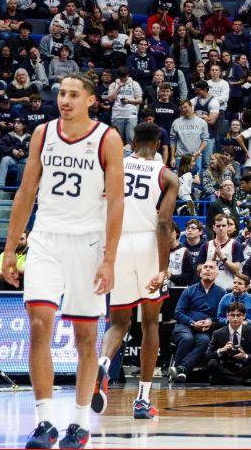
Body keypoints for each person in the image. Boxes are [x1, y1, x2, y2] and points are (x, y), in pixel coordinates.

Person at [0, 74, 125, 449]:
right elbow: (26, 191)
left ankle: (80, 422)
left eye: (73, 94)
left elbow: (116, 202)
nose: (65, 100)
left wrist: (109, 259)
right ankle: (44, 422)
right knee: (39, 325)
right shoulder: (43, 133)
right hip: (45, 239)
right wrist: (10, 248)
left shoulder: (107, 138)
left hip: (88, 243)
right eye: (61, 93)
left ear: (91, 100)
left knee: (85, 336)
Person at [94, 123, 177, 420]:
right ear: (158, 144)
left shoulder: (114, 166)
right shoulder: (166, 175)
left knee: (118, 322)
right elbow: (164, 223)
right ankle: (142, 399)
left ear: (132, 140)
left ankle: (103, 362)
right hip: (148, 244)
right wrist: (163, 268)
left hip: (117, 243)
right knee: (151, 323)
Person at [170, 260, 226, 382]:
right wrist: (192, 323)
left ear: (216, 274)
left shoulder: (222, 293)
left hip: (205, 329)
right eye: (205, 267)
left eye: (211, 267)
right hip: (185, 326)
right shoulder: (189, 290)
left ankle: (180, 369)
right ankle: (178, 369)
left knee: (205, 341)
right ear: (200, 273)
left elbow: (222, 315)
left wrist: (211, 321)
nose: (208, 269)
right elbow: (178, 313)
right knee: (187, 338)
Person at [205, 302, 251, 385]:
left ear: (244, 316)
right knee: (212, 363)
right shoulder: (218, 333)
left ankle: (227, 380)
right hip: (225, 366)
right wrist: (221, 350)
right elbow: (208, 355)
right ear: (227, 316)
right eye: (232, 315)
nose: (235, 318)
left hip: (243, 367)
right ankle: (242, 382)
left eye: (239, 315)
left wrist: (245, 356)